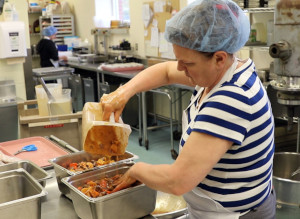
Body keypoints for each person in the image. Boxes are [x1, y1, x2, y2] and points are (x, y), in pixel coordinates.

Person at [100, 0, 276, 218]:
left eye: (188, 64)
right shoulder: (227, 70)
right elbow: (165, 71)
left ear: (219, 58)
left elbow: (178, 181)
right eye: (179, 60)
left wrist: (136, 170)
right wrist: (124, 92)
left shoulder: (232, 98)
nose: (181, 69)